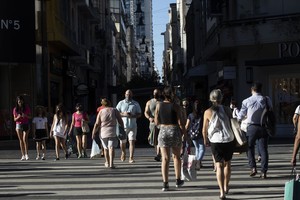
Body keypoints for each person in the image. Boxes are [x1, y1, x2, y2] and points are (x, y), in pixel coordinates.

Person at [202, 89, 235, 200]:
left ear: (211, 99)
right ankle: (226, 186)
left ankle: (221, 192)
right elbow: (233, 124)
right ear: (221, 98)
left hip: (215, 141)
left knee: (218, 165)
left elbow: (204, 129)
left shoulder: (207, 112)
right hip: (228, 139)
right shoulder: (227, 110)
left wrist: (205, 139)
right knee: (227, 164)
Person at [236, 82, 272, 179]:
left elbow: (240, 115)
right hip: (264, 126)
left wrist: (238, 119)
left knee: (249, 147)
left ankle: (253, 168)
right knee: (263, 149)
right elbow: (271, 110)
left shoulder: (246, 101)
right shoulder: (266, 99)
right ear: (261, 89)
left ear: (252, 90)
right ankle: (264, 172)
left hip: (251, 127)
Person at [154, 86, 186, 191]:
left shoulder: (158, 105)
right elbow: (181, 122)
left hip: (163, 131)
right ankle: (178, 180)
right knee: (176, 157)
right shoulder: (176, 106)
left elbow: (156, 121)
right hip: (174, 130)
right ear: (172, 94)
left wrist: (162, 127)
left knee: (165, 158)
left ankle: (165, 183)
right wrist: (185, 134)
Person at [92, 98, 124, 168]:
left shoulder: (101, 111)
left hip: (103, 132)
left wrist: (93, 132)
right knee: (111, 147)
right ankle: (111, 163)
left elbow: (97, 123)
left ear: (102, 104)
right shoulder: (115, 110)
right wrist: (123, 128)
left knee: (105, 148)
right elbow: (120, 120)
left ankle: (107, 162)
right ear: (110, 103)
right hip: (112, 131)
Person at [116, 89, 142, 163]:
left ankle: (131, 157)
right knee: (122, 142)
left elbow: (139, 114)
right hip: (123, 125)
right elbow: (116, 113)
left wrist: (133, 115)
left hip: (133, 125)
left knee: (132, 141)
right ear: (125, 94)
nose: (128, 95)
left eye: (130, 94)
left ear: (132, 95)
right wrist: (124, 114)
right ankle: (123, 152)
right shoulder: (121, 103)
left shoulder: (135, 103)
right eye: (127, 94)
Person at [185, 100, 205, 170]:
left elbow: (187, 125)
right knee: (202, 148)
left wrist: (185, 133)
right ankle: (198, 161)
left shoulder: (190, 115)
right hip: (200, 133)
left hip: (192, 134)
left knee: (197, 148)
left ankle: (197, 162)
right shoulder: (202, 114)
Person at [144, 88, 162, 161]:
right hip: (152, 123)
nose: (156, 94)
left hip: (161, 123)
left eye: (157, 93)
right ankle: (158, 153)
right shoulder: (149, 102)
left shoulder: (162, 102)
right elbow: (146, 112)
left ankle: (158, 154)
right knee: (154, 140)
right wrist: (149, 118)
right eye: (155, 93)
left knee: (160, 138)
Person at [13, 95, 32, 161]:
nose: (20, 103)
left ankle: (27, 154)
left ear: (23, 101)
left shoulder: (26, 107)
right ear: (17, 102)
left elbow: (30, 117)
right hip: (18, 125)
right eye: (19, 102)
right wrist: (18, 117)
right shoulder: (15, 109)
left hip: (26, 124)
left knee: (25, 139)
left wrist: (25, 115)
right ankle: (23, 155)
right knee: (21, 140)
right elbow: (14, 119)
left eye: (21, 101)